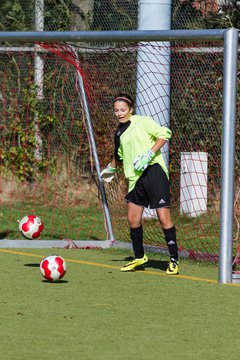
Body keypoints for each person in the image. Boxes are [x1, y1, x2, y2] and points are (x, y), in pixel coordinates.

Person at [101, 93, 179, 274]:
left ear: (131, 109)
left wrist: (149, 154)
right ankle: (139, 257)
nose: (119, 113)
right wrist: (111, 169)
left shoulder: (142, 122)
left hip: (153, 171)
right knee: (133, 219)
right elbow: (118, 153)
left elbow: (164, 133)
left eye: (122, 110)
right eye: (116, 110)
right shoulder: (119, 132)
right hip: (135, 178)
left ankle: (174, 259)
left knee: (163, 217)